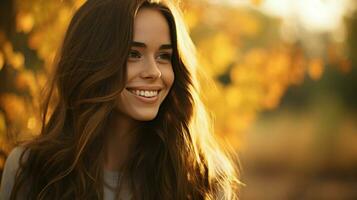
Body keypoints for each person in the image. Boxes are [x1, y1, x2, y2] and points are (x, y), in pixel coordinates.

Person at [0, 0, 240, 199]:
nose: (154, 72)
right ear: (92, 62)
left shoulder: (204, 177)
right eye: (133, 54)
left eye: (164, 56)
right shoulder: (29, 170)